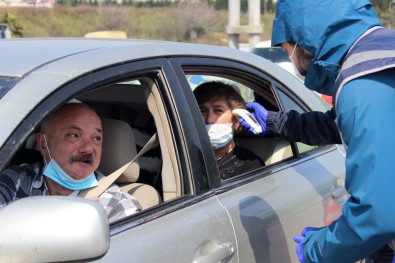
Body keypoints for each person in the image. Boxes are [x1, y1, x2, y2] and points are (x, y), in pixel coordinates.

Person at [265, 1, 395, 262]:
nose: (290, 59)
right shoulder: (381, 54)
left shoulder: (361, 82)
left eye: (286, 49)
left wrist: (319, 248)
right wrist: (275, 122)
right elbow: (340, 126)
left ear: (304, 38)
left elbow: (377, 214)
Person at [0, 103, 141, 223]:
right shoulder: (16, 181)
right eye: (74, 135)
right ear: (43, 144)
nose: (88, 149)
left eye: (96, 138)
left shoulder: (117, 206)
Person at [193, 81, 264, 180]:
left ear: (236, 121)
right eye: (202, 111)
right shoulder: (182, 155)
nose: (209, 119)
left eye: (218, 110)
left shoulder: (250, 166)